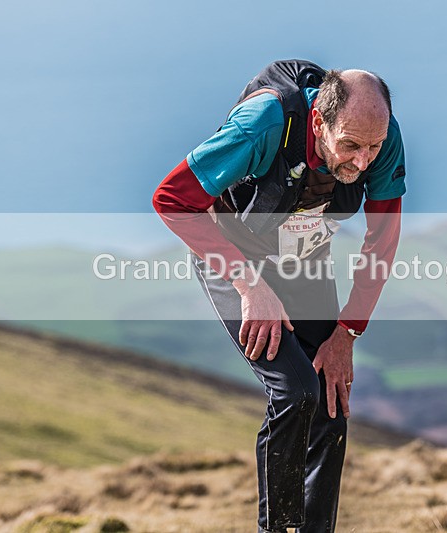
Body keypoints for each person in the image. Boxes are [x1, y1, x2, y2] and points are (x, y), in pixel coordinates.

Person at [152, 60, 405, 532]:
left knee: (331, 400)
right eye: (350, 146)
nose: (363, 161)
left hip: (302, 256)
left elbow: (382, 240)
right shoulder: (264, 123)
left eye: (373, 147)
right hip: (233, 253)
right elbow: (171, 199)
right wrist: (251, 286)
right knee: (295, 391)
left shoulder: (379, 134)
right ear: (318, 122)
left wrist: (347, 333)